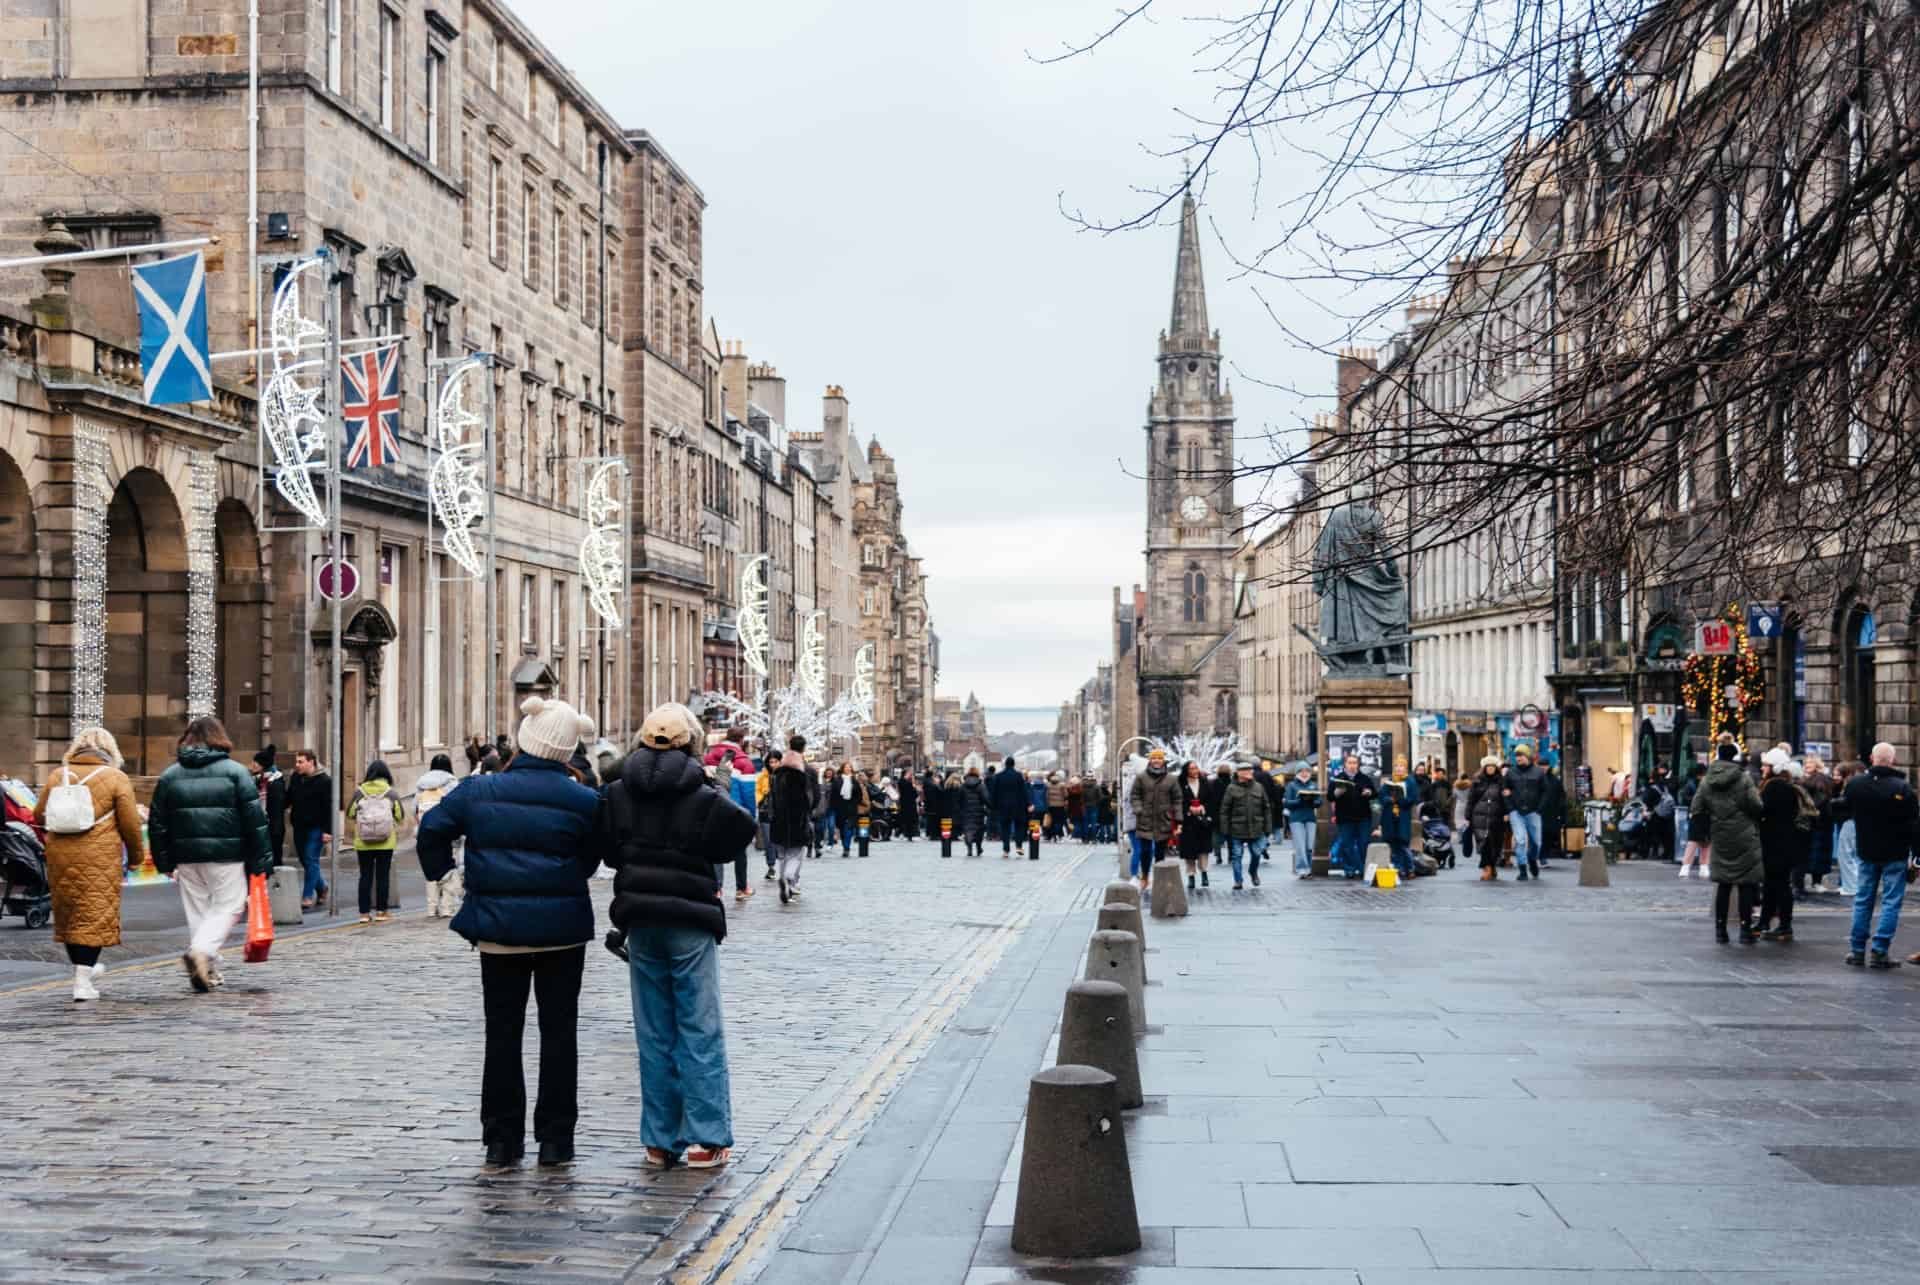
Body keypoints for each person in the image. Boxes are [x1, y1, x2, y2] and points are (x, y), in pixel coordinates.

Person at [418, 695, 601, 1168]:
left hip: (498, 929)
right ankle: (556, 1140)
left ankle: (502, 1140)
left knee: (502, 1034)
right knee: (559, 1034)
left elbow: (431, 828)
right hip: (562, 931)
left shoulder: (480, 791)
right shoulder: (584, 800)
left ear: (526, 738)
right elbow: (594, 855)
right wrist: (568, 874)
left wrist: (444, 873)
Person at [600, 703, 755, 1170]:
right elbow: (741, 831)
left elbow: (608, 851)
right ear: (691, 742)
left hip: (641, 918)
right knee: (699, 1028)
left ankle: (659, 1139)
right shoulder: (701, 792)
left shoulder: (618, 792)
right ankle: (705, 1139)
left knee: (654, 1032)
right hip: (689, 918)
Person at [147, 716, 273, 993]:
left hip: (186, 856)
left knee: (199, 912)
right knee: (230, 905)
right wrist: (262, 860)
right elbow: (255, 821)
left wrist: (163, 860)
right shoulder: (236, 772)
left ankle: (207, 967)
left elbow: (157, 823)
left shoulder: (170, 775)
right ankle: (201, 953)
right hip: (227, 854)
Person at [34, 727, 145, 1002]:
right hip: (99, 855)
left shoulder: (58, 775)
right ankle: (83, 982)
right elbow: (130, 825)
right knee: (94, 914)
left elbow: (39, 814)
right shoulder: (116, 777)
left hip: (60, 854)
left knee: (71, 914)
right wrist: (136, 857)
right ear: (110, 750)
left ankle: (84, 970)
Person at [1841, 741, 1916, 969]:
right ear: (1893, 761)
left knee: (1863, 900)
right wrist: (1917, 857)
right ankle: (1880, 950)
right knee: (1891, 902)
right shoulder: (1903, 788)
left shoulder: (1856, 785)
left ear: (1872, 759)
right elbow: (1914, 825)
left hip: (1867, 850)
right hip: (1895, 852)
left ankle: (1857, 950)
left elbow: (1844, 809)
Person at [1696, 737, 1763, 945]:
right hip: (1744, 835)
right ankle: (1745, 930)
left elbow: (1696, 807)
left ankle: (1720, 930)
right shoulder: (1743, 778)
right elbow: (1756, 805)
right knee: (1745, 884)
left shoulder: (1707, 781)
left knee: (1723, 884)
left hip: (1720, 834)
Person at [1755, 749, 1808, 941]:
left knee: (1778, 885)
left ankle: (1783, 925)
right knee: (1774, 884)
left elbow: (1763, 812)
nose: (1762, 768)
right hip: (1785, 843)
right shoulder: (1785, 785)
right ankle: (1768, 922)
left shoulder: (1774, 787)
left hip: (1775, 843)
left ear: (1775, 768)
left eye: (1766, 765)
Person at [346, 761, 404, 924]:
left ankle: (364, 914)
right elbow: (400, 816)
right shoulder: (390, 793)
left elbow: (350, 813)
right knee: (382, 876)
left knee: (365, 875)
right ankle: (381, 911)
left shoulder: (360, 792)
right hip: (386, 841)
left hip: (363, 842)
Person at [767, 735, 817, 903]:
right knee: (795, 853)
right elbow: (813, 796)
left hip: (779, 818)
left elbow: (772, 796)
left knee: (782, 854)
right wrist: (809, 811)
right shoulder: (807, 771)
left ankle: (783, 878)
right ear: (804, 748)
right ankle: (789, 877)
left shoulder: (778, 772)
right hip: (798, 818)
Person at [415, 754, 461, 918]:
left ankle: (431, 908)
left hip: (425, 832)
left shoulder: (421, 784)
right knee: (448, 868)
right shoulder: (452, 783)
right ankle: (446, 907)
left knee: (430, 869)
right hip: (446, 833)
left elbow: (414, 809)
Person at [287, 749, 332, 910]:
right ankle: (322, 887)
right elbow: (288, 797)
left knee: (311, 858)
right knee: (305, 860)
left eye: (300, 762)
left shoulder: (325, 781)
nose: (297, 765)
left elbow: (329, 807)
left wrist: (328, 831)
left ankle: (307, 896)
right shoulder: (296, 777)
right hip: (299, 825)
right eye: (296, 761)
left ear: (311, 762)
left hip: (317, 827)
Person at [1220, 760, 1273, 890]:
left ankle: (1253, 872)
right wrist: (1225, 830)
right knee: (1237, 856)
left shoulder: (1258, 787)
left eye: (1250, 770)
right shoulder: (1231, 788)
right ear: (1238, 773)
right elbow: (1224, 810)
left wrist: (1268, 827)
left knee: (1256, 853)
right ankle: (1238, 881)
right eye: (1245, 770)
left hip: (1256, 828)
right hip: (1237, 828)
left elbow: (1266, 808)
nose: (1248, 772)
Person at [1502, 744, 1549, 880]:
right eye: (1516, 756)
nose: (1518, 758)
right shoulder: (1511, 773)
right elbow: (1505, 791)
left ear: (1528, 756)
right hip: (1516, 812)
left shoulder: (1538, 772)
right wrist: (1510, 808)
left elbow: (1546, 791)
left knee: (1537, 842)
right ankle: (1522, 869)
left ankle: (1532, 859)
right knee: (1520, 840)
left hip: (1534, 812)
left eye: (1521, 755)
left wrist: (1540, 808)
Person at [1327, 753, 1377, 879]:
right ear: (1345, 764)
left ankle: (1363, 869)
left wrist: (1369, 792)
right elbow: (1329, 797)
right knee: (1347, 845)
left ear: (1358, 765)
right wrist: (1337, 793)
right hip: (1345, 818)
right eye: (1350, 763)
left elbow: (1375, 794)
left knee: (1363, 844)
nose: (1352, 765)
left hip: (1363, 817)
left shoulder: (1364, 778)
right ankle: (1349, 869)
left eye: (1354, 763)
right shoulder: (1338, 778)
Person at [1800, 754, 1835, 894]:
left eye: (1810, 762)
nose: (1807, 765)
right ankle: (1811, 882)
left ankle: (1816, 882)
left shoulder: (1820, 779)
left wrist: (1808, 809)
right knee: (1811, 853)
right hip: (1814, 822)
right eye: (1806, 762)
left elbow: (1820, 800)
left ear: (1817, 764)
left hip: (1819, 822)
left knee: (1817, 853)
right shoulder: (1804, 779)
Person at [1176, 760, 1213, 892]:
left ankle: (1204, 873)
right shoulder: (1180, 784)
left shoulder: (1205, 782)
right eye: (1191, 768)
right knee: (1189, 851)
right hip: (1187, 823)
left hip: (1202, 822)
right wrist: (1188, 809)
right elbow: (1177, 801)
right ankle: (1191, 876)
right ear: (1186, 770)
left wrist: (1203, 807)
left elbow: (1211, 800)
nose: (1194, 771)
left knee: (1203, 850)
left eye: (1196, 768)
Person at [1467, 757, 1505, 880]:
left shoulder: (1502, 782)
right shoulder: (1477, 781)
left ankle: (1492, 866)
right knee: (1484, 844)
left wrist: (1507, 813)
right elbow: (1471, 799)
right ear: (1484, 768)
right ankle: (1486, 868)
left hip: (1496, 817)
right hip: (1479, 817)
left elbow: (1506, 799)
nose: (1490, 768)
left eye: (1492, 766)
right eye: (1488, 766)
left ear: (1496, 768)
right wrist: (1468, 815)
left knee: (1496, 844)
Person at [1380, 755, 1416, 879]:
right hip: (1390, 817)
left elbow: (1413, 798)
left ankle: (1410, 868)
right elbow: (1382, 796)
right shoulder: (1389, 781)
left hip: (1402, 817)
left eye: (1401, 766)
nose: (1399, 768)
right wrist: (1388, 799)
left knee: (1403, 844)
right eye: (1397, 766)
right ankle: (1398, 869)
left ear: (1405, 768)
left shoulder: (1410, 781)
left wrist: (1400, 800)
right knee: (1393, 844)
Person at [251, 747, 288, 868]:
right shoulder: (259, 780)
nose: (253, 764)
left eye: (256, 762)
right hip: (261, 825)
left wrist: (275, 831)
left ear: (263, 764)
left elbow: (277, 810)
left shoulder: (275, 783)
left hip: (272, 829)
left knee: (274, 862)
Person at [1283, 762, 1319, 877]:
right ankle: (1301, 869)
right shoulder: (1291, 785)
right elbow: (1287, 803)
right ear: (1297, 773)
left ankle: (1308, 868)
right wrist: (1300, 801)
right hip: (1296, 819)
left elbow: (1319, 801)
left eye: (1307, 771)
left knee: (1309, 846)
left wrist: (1313, 801)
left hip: (1310, 818)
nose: (1305, 773)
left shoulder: (1313, 785)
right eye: (1302, 771)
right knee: (1300, 845)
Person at [989, 756, 1030, 858]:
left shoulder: (998, 776)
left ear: (1005, 764)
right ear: (1013, 764)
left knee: (1005, 828)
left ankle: (1006, 850)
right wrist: (1028, 804)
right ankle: (1019, 846)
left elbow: (994, 793)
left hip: (1003, 806)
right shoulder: (1018, 776)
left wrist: (993, 806)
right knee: (1019, 826)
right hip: (1018, 806)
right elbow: (1024, 791)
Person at [1831, 760, 1860, 896]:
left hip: (1850, 821)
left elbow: (1847, 802)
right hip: (1851, 821)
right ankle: (1852, 885)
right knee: (1851, 854)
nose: (1835, 777)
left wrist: (1832, 802)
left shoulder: (1851, 786)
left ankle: (1850, 887)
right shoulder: (1850, 785)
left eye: (1838, 775)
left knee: (1846, 854)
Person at [1639, 767, 1677, 865]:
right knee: (1665, 836)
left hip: (1656, 815)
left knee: (1651, 834)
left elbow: (1645, 801)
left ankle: (1650, 853)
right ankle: (1667, 853)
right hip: (1667, 815)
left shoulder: (1651, 788)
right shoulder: (1665, 787)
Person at [1677, 763, 1708, 877]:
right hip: (1701, 815)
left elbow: (1683, 797)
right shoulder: (1698, 784)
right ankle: (1699, 867)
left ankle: (1691, 867)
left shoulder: (1692, 784)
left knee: (1698, 842)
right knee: (1698, 842)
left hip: (1697, 815)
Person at [830, 762, 867, 857]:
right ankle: (844, 845)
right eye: (846, 767)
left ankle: (847, 848)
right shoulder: (837, 780)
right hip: (840, 807)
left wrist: (855, 803)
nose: (848, 769)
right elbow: (833, 794)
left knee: (850, 827)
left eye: (850, 767)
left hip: (851, 807)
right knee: (842, 828)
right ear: (842, 768)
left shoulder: (854, 780)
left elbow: (859, 794)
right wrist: (834, 806)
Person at [954, 767, 989, 855]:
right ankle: (978, 847)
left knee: (968, 829)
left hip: (966, 812)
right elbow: (986, 798)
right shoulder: (981, 785)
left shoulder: (963, 786)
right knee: (979, 830)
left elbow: (958, 799)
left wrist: (959, 810)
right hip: (978, 812)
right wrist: (990, 807)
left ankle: (969, 848)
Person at [1451, 774, 1473, 869]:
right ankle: (1465, 836)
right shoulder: (1470, 786)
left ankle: (1460, 837)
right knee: (1466, 822)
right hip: (1467, 805)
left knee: (1458, 821)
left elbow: (1453, 796)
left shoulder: (1456, 786)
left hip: (1459, 805)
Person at [896, 770, 919, 841]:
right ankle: (909, 835)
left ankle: (903, 833)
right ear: (906, 774)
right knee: (910, 820)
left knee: (905, 819)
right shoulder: (908, 783)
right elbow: (914, 794)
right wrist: (914, 786)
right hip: (910, 804)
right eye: (910, 774)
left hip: (904, 803)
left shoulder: (900, 781)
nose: (911, 776)